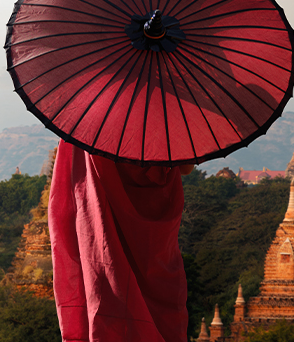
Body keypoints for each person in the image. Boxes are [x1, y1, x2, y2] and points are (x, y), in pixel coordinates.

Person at [48, 140, 194, 342]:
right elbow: (186, 166)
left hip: (96, 218)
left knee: (105, 290)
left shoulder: (88, 118)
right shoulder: (167, 112)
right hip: (153, 234)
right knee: (161, 311)